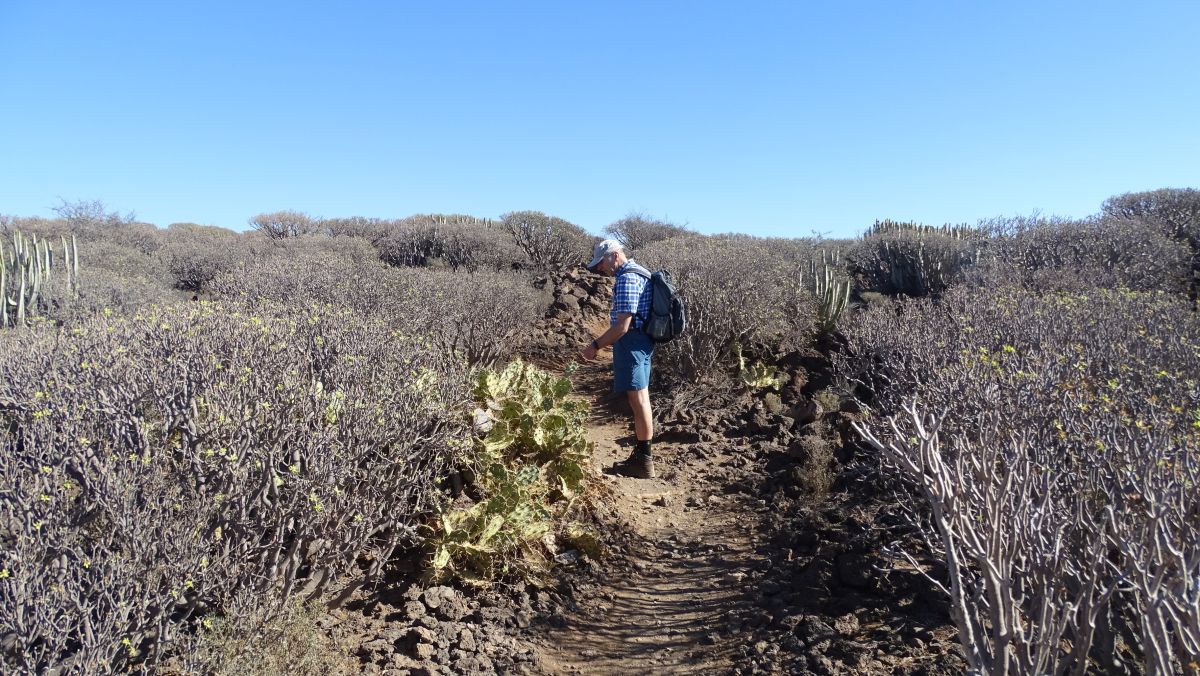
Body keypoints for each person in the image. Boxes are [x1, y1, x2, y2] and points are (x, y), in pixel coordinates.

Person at [580, 239, 656, 479]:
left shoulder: (628, 278)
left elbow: (622, 326)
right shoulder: (640, 272)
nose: (600, 268)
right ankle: (643, 456)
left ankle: (644, 462)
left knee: (639, 400)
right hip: (641, 341)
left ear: (614, 255)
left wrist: (595, 346)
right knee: (641, 398)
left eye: (601, 263)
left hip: (633, 343)